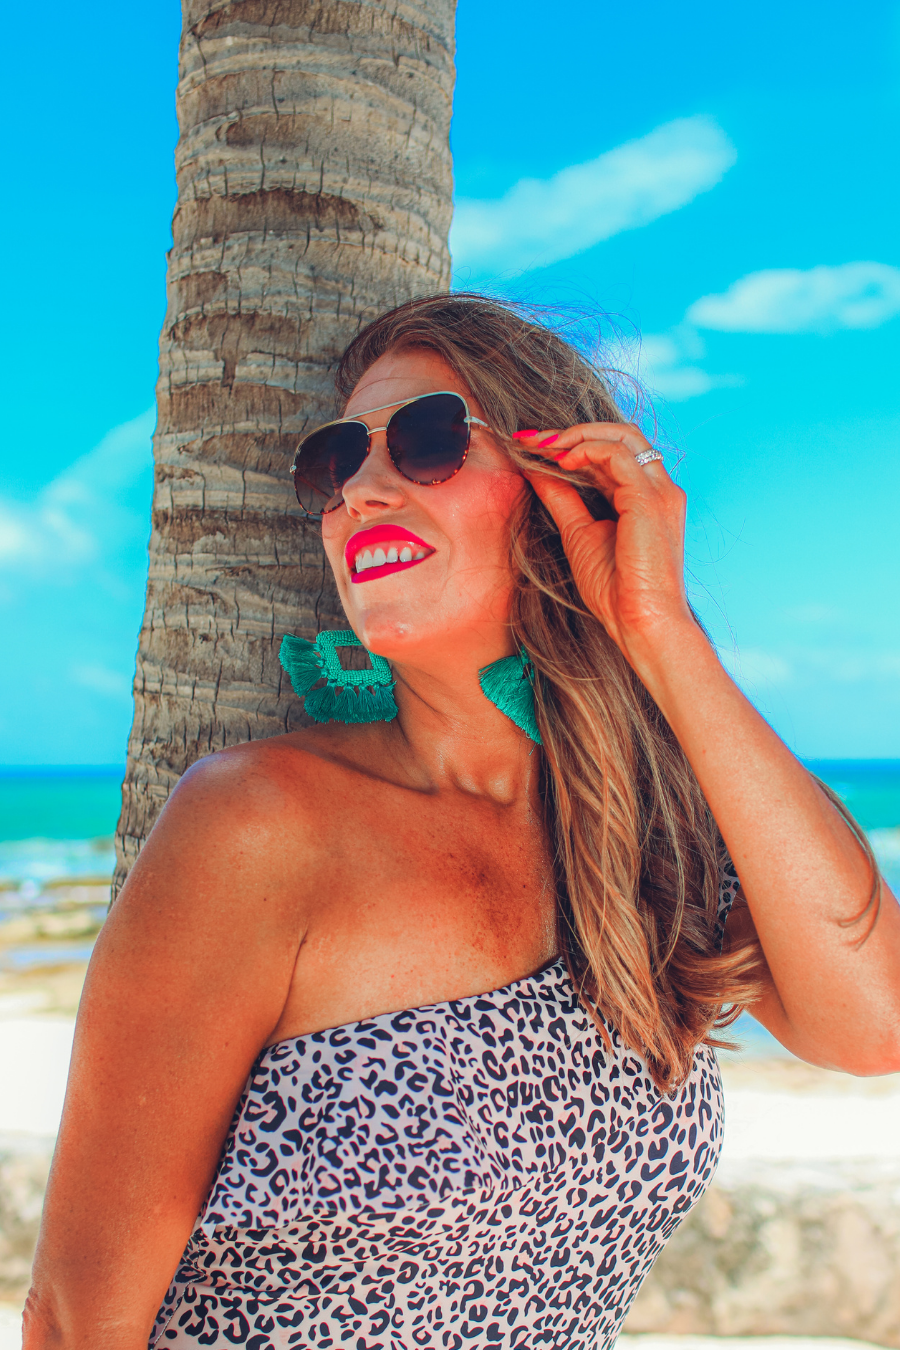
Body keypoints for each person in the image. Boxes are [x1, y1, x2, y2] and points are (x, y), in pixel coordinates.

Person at [25, 294, 900, 1350]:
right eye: (336, 462)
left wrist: (657, 627)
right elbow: (75, 1321)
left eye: (429, 440)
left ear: (560, 487)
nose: (360, 492)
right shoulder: (259, 823)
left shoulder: (649, 839)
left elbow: (875, 1025)